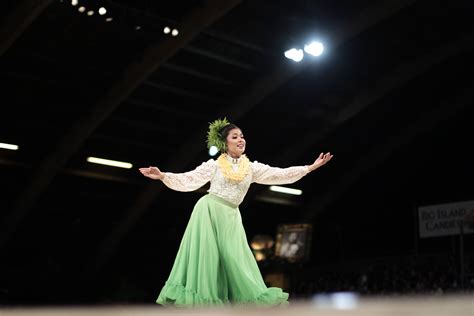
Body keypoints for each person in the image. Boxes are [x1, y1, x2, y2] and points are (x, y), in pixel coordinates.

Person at [139, 118, 333, 307]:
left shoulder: (251, 168)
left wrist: (310, 167)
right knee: (208, 259)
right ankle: (206, 305)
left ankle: (249, 301)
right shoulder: (214, 165)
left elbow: (279, 173)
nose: (241, 139)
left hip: (231, 216)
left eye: (242, 136)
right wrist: (163, 175)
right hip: (209, 212)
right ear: (224, 143)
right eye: (235, 137)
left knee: (237, 260)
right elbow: (189, 179)